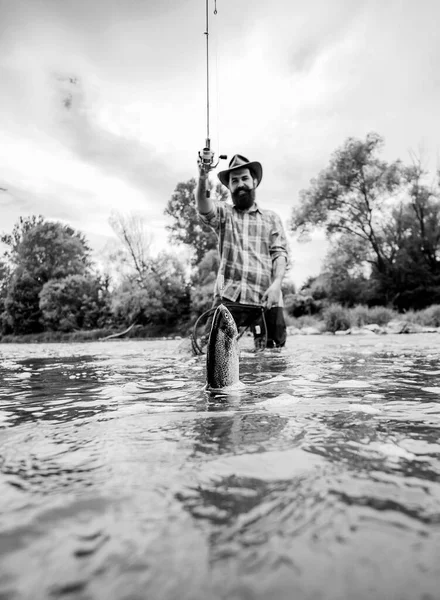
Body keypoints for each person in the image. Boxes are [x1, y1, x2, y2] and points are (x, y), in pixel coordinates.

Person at [196, 153, 289, 348]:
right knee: (205, 353)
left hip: (266, 297)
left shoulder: (272, 218)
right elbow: (204, 207)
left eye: (245, 178)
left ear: (254, 181)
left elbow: (279, 254)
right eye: (234, 181)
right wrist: (203, 177)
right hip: (228, 296)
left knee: (275, 359)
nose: (240, 184)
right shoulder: (224, 213)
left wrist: (277, 284)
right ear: (229, 186)